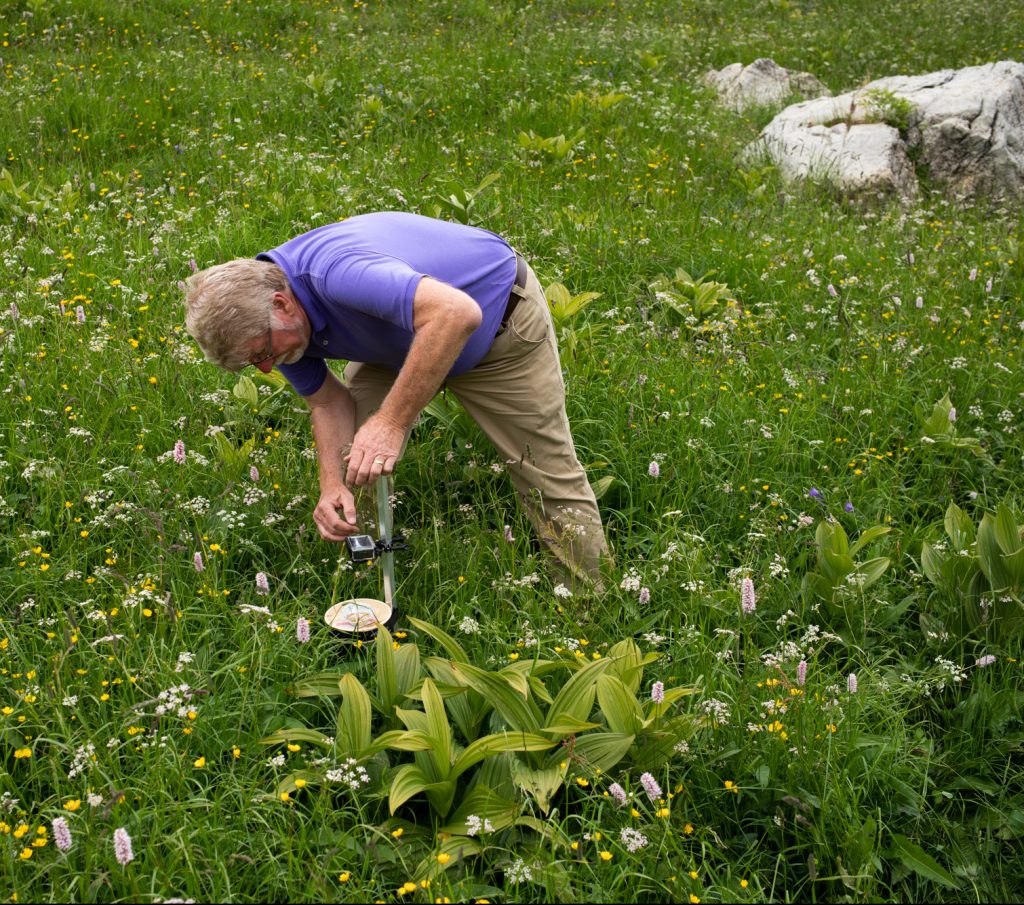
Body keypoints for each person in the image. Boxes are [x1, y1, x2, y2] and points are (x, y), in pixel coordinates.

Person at [183, 211, 610, 591]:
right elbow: (328, 403)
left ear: (282, 304)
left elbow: (455, 314)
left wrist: (391, 422)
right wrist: (331, 484)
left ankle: (587, 605)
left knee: (544, 469)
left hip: (497, 327)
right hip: (398, 341)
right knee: (357, 462)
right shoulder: (277, 328)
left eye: (262, 354)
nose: (264, 368)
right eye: (254, 362)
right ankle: (370, 592)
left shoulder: (337, 272)